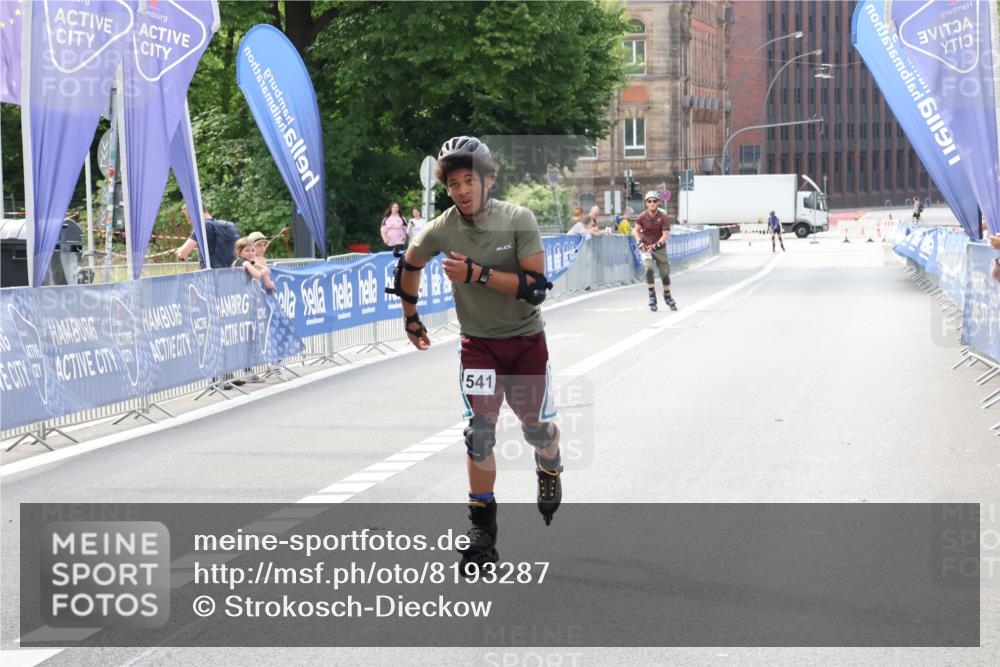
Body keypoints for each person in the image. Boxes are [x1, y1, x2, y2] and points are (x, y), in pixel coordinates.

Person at [387, 135, 562, 573]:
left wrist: (477, 274)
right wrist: (411, 318)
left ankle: (550, 465)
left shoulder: (518, 218)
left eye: (469, 181)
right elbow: (408, 267)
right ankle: (482, 530)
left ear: (489, 180)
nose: (461, 191)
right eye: (453, 184)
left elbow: (536, 289)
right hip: (478, 345)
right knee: (479, 433)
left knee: (535, 429)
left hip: (524, 343)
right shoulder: (443, 226)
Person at [634, 191, 676, 312]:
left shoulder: (663, 217)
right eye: (649, 201)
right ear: (646, 203)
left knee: (664, 273)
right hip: (646, 247)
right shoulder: (642, 216)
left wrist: (656, 246)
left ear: (658, 202)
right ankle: (652, 296)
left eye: (654, 201)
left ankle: (667, 295)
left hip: (659, 247)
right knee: (649, 270)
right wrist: (639, 242)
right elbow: (636, 231)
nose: (652, 203)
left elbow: (665, 235)